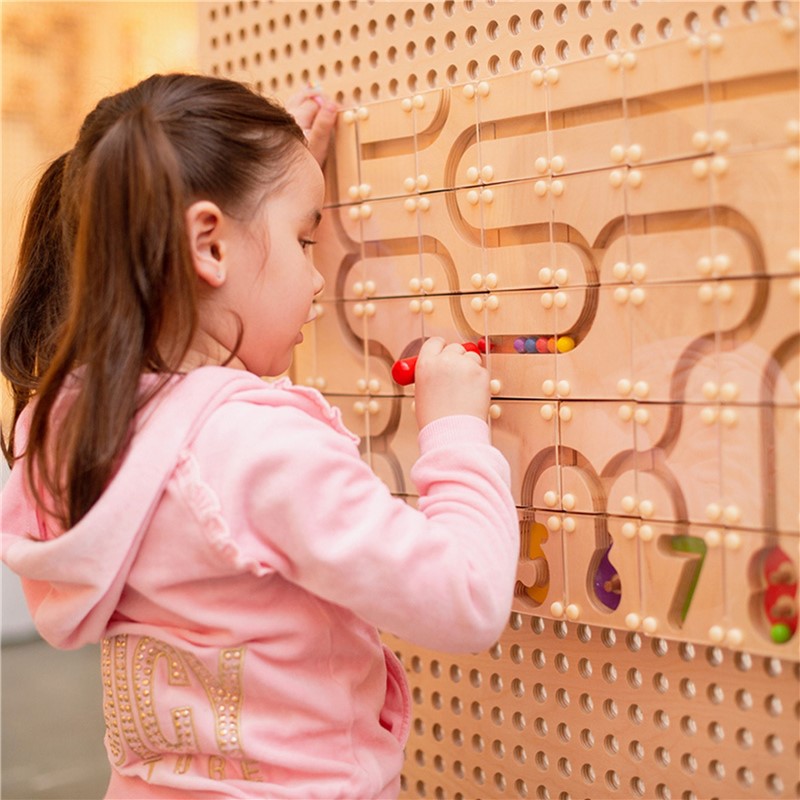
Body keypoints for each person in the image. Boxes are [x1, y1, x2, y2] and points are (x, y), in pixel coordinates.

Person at [1, 73, 519, 799]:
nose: (315, 278)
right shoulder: (262, 452)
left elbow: (199, 396)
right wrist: (456, 430)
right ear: (207, 243)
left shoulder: (68, 427)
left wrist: (266, 199)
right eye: (304, 240)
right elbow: (464, 599)